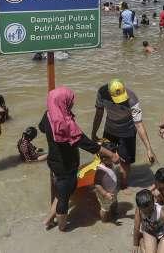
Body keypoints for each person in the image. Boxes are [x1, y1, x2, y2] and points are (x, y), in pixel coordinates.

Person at [39, 87, 119, 231]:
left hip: (53, 162)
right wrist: (111, 155)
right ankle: (62, 228)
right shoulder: (66, 125)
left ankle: (47, 220)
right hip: (66, 167)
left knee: (60, 192)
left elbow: (42, 128)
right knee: (64, 197)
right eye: (70, 101)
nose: (72, 104)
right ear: (63, 102)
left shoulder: (48, 115)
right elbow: (89, 145)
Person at [92, 79, 156, 189]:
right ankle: (108, 184)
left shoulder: (132, 99)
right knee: (105, 158)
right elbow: (99, 114)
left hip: (128, 132)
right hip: (109, 129)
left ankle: (124, 186)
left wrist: (148, 149)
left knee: (125, 163)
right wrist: (94, 132)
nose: (120, 102)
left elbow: (139, 124)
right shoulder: (102, 93)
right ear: (109, 93)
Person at [94, 141, 119, 222]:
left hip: (113, 190)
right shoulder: (101, 170)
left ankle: (114, 213)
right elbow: (97, 184)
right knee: (105, 208)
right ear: (104, 159)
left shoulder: (110, 164)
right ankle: (105, 221)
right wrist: (105, 194)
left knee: (115, 202)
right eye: (112, 156)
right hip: (104, 193)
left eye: (115, 154)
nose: (115, 157)